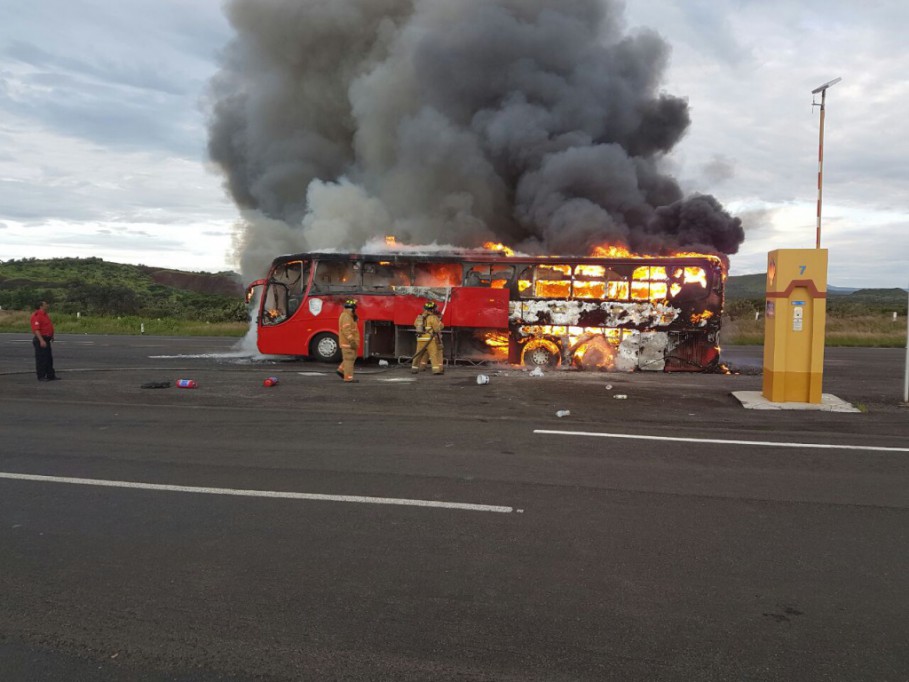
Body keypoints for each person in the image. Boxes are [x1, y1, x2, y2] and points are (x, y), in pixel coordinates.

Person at [412, 301, 444, 375]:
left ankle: (414, 369)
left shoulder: (419, 317)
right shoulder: (433, 317)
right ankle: (436, 370)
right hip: (429, 340)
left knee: (418, 354)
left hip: (420, 339)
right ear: (432, 310)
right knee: (433, 354)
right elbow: (437, 329)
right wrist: (441, 323)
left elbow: (415, 324)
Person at [30, 300, 59, 381]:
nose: (47, 305)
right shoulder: (37, 315)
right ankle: (41, 376)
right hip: (41, 339)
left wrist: (52, 335)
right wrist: (41, 340)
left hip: (47, 338)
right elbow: (36, 330)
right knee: (41, 359)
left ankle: (50, 375)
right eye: (45, 304)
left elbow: (48, 326)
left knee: (48, 358)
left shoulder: (45, 315)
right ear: (41, 306)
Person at [337, 299, 360, 383]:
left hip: (350, 343)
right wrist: (352, 341)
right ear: (352, 308)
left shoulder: (348, 316)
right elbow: (346, 331)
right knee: (349, 360)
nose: (355, 311)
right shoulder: (346, 317)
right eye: (354, 309)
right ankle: (348, 378)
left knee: (351, 358)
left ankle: (341, 370)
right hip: (348, 344)